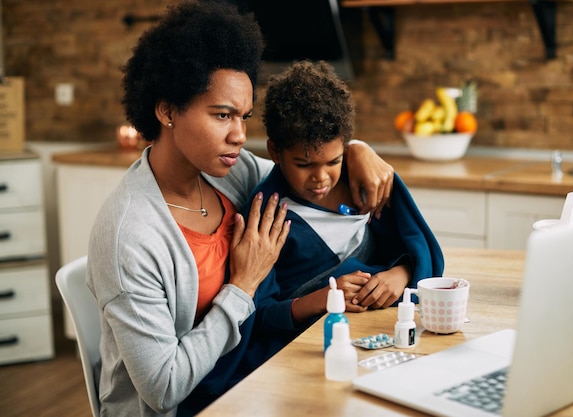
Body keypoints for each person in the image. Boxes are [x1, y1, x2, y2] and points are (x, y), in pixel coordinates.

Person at [85, 1, 395, 416]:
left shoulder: (228, 173)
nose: (239, 136)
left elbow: (306, 170)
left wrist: (358, 150)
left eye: (244, 117)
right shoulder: (130, 236)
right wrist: (244, 286)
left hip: (251, 383)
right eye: (222, 115)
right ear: (167, 110)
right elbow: (163, 388)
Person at [234, 60, 444, 372]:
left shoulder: (369, 183)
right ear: (274, 152)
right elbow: (259, 315)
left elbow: (422, 255)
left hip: (383, 333)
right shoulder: (266, 214)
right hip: (308, 353)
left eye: (333, 161)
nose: (321, 178)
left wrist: (399, 275)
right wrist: (324, 298)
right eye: (304, 165)